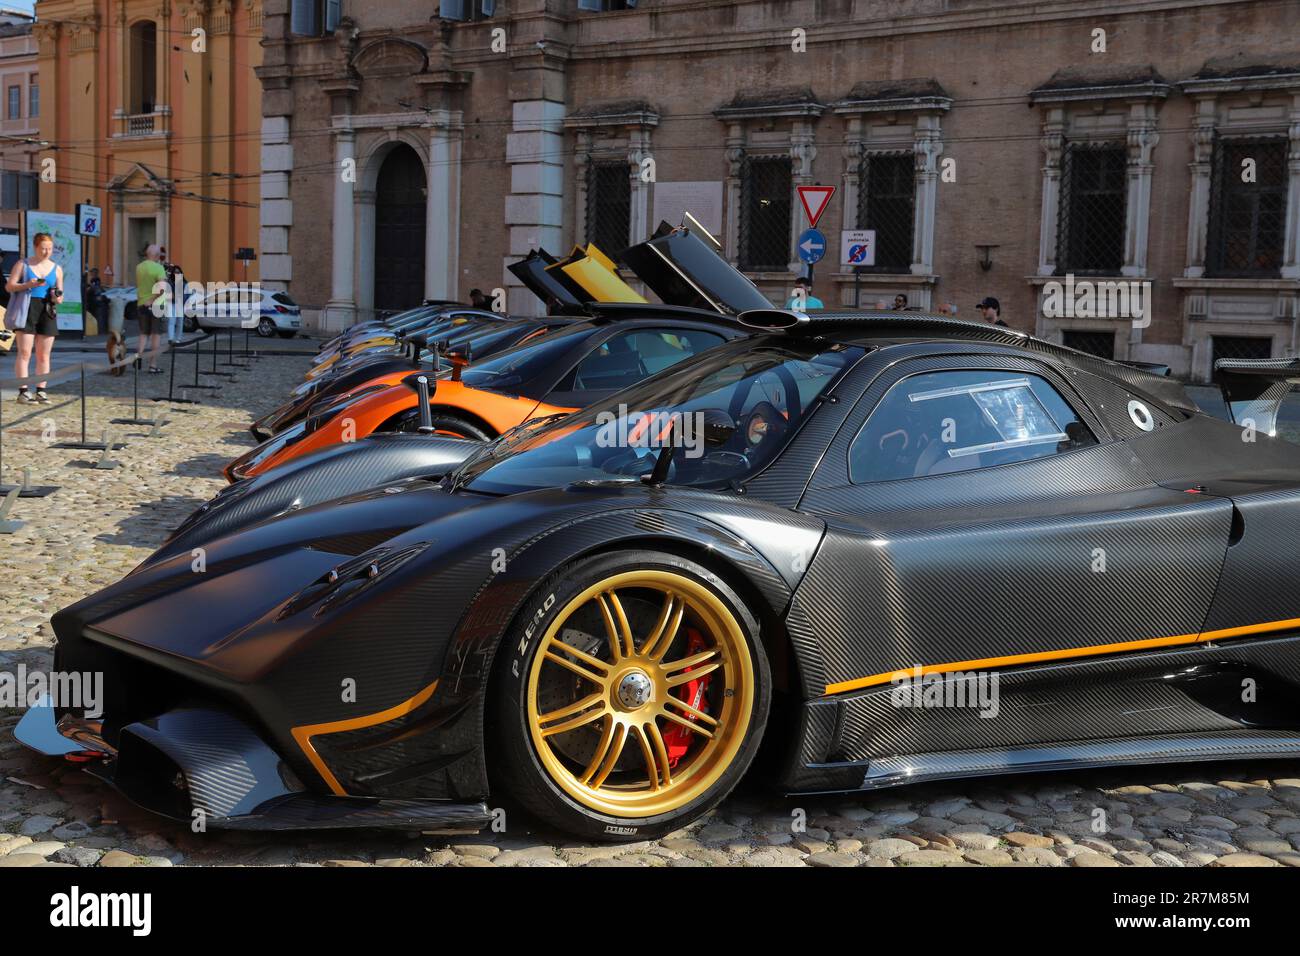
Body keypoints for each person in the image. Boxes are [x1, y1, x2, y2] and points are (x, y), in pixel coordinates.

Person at [4, 232, 64, 404]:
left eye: (50, 249)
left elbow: (60, 296)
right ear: (36, 247)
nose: (46, 252)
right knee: (24, 352)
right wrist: (28, 284)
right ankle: (23, 391)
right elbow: (9, 286)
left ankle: (41, 390)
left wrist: (56, 296)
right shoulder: (23, 264)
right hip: (27, 308)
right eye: (43, 248)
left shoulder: (57, 268)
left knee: (44, 355)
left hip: (47, 309)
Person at [136, 244, 167, 372]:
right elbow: (162, 289)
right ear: (157, 255)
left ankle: (138, 356)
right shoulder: (159, 268)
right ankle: (153, 365)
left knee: (143, 334)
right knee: (156, 335)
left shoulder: (139, 267)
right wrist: (152, 300)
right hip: (156, 305)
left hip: (141, 304)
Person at [160, 248, 186, 345]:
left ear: (181, 273)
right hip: (171, 303)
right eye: (175, 272)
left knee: (180, 322)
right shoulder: (170, 282)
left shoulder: (184, 283)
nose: (177, 273)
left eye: (178, 272)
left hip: (180, 304)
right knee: (171, 321)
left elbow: (187, 294)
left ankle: (178, 338)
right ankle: (170, 339)